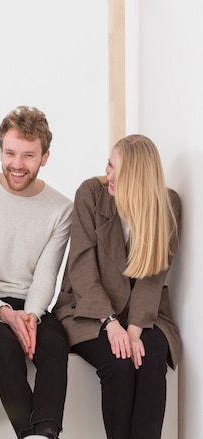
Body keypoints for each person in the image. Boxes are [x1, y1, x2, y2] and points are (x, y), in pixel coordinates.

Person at [0, 106, 72, 439]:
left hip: (30, 305)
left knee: (54, 345)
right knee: (5, 346)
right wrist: (7, 315)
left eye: (28, 155)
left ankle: (44, 433)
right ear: (1, 150)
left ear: (45, 157)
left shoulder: (61, 209)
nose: (17, 164)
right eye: (10, 153)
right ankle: (28, 433)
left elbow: (46, 276)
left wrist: (30, 317)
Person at [53, 134, 181, 439]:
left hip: (145, 313)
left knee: (151, 364)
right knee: (119, 364)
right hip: (88, 309)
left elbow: (154, 275)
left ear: (137, 178)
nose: (108, 174)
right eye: (109, 165)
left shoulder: (168, 204)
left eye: (116, 170)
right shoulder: (91, 193)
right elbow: (81, 265)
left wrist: (135, 328)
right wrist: (110, 323)